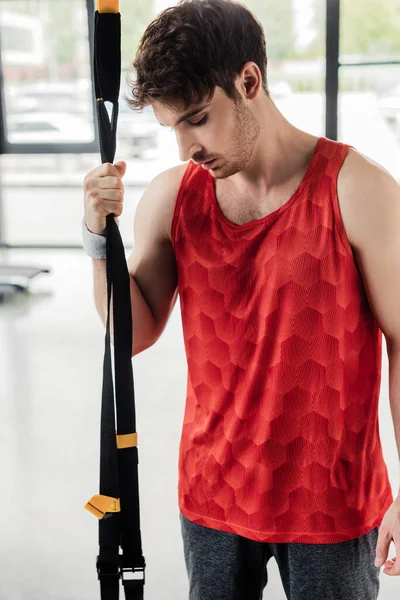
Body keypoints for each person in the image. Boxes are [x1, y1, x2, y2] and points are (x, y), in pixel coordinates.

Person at [82, 0, 400, 598]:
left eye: (197, 119)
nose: (185, 149)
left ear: (249, 81)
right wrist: (99, 238)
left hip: (330, 502)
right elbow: (131, 333)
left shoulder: (358, 190)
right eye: (173, 127)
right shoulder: (174, 197)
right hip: (213, 492)